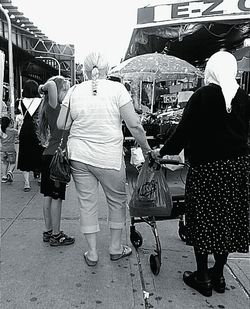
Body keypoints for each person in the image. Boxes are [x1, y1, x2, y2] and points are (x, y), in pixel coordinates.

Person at [151, 51, 250, 297]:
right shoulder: (243, 97)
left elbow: (183, 133)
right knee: (227, 220)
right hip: (237, 169)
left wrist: (162, 153)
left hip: (206, 169)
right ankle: (218, 274)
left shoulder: (202, 96)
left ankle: (202, 276)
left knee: (203, 219)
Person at [57, 51, 151, 266]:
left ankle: (92, 253)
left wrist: (79, 121)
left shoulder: (74, 90)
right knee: (117, 201)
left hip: (79, 156)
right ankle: (116, 248)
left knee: (87, 203)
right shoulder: (118, 89)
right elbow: (134, 125)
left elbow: (62, 124)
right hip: (109, 157)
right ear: (107, 70)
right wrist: (146, 149)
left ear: (85, 70)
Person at [37, 75, 75, 247]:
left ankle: (48, 230)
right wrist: (42, 88)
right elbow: (51, 83)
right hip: (55, 159)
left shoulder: (55, 107)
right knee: (56, 198)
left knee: (48, 196)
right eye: (65, 89)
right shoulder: (55, 106)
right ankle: (56, 235)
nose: (67, 92)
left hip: (48, 156)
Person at [17, 80, 45, 192]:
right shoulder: (41, 101)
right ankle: (41, 179)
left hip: (25, 130)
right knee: (40, 153)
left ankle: (27, 183)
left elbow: (19, 117)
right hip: (38, 129)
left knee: (25, 154)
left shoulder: (20, 101)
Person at [0, 116, 18, 183]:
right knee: (12, 163)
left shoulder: (1, 130)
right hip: (11, 149)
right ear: (9, 123)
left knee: (4, 163)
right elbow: (19, 134)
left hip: (3, 149)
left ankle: (4, 177)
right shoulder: (13, 131)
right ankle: (10, 172)